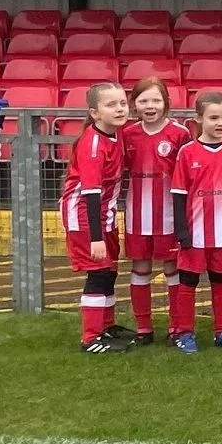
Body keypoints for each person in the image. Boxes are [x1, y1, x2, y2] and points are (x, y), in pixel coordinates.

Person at [169, 89, 222, 352]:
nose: (220, 123)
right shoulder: (187, 152)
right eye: (214, 117)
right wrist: (181, 230)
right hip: (195, 232)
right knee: (188, 281)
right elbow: (179, 194)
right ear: (198, 119)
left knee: (220, 280)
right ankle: (184, 333)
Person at [119, 74, 189, 345]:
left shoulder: (179, 134)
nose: (150, 106)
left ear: (166, 103)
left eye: (156, 100)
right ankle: (143, 328)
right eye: (143, 100)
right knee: (140, 267)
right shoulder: (127, 133)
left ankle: (176, 326)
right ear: (134, 105)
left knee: (173, 268)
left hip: (170, 216)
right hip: (137, 215)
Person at [62, 81, 132, 351]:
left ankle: (106, 325)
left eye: (122, 103)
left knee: (110, 271)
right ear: (95, 112)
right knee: (98, 272)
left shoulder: (118, 133)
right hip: (85, 216)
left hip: (106, 213)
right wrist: (95, 237)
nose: (119, 109)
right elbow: (90, 194)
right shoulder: (93, 145)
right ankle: (91, 338)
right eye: (111, 105)